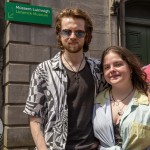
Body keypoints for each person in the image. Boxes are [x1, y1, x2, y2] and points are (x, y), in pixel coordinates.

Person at [23, 8, 107, 150]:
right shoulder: (44, 70)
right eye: (67, 31)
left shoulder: (99, 69)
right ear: (59, 34)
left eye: (79, 32)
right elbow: (35, 118)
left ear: (86, 36)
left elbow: (115, 100)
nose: (73, 36)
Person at [93, 46, 150, 150]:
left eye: (118, 64)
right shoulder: (97, 100)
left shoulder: (147, 100)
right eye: (107, 67)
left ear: (131, 68)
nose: (112, 70)